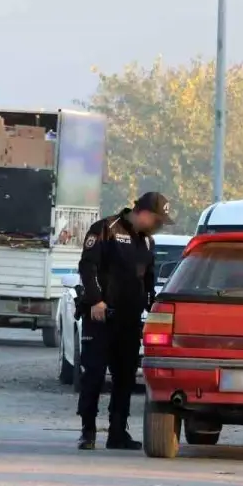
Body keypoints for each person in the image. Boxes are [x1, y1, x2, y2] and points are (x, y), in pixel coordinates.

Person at [76, 192, 172, 451]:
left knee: (125, 378)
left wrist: (153, 306)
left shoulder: (148, 242)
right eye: (158, 219)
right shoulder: (105, 229)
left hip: (129, 321)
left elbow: (148, 279)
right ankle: (88, 431)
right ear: (144, 212)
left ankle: (117, 432)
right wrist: (95, 300)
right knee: (94, 375)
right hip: (101, 317)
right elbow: (87, 267)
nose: (159, 225)